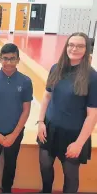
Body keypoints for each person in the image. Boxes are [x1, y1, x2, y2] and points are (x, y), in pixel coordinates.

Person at [37, 32, 97, 193]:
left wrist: (79, 143)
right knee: (45, 165)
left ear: (87, 49)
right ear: (66, 47)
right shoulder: (56, 68)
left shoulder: (92, 77)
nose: (74, 48)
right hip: (49, 129)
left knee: (70, 176)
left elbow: (92, 116)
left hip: (73, 134)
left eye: (79, 46)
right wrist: (41, 122)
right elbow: (47, 97)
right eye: (71, 45)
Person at [0, 43, 33, 193]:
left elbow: (26, 110)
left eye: (12, 59)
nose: (9, 62)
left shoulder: (25, 82)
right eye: (5, 59)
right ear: (0, 59)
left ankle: (6, 189)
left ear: (18, 60)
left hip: (15, 131)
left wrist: (14, 134)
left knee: (10, 163)